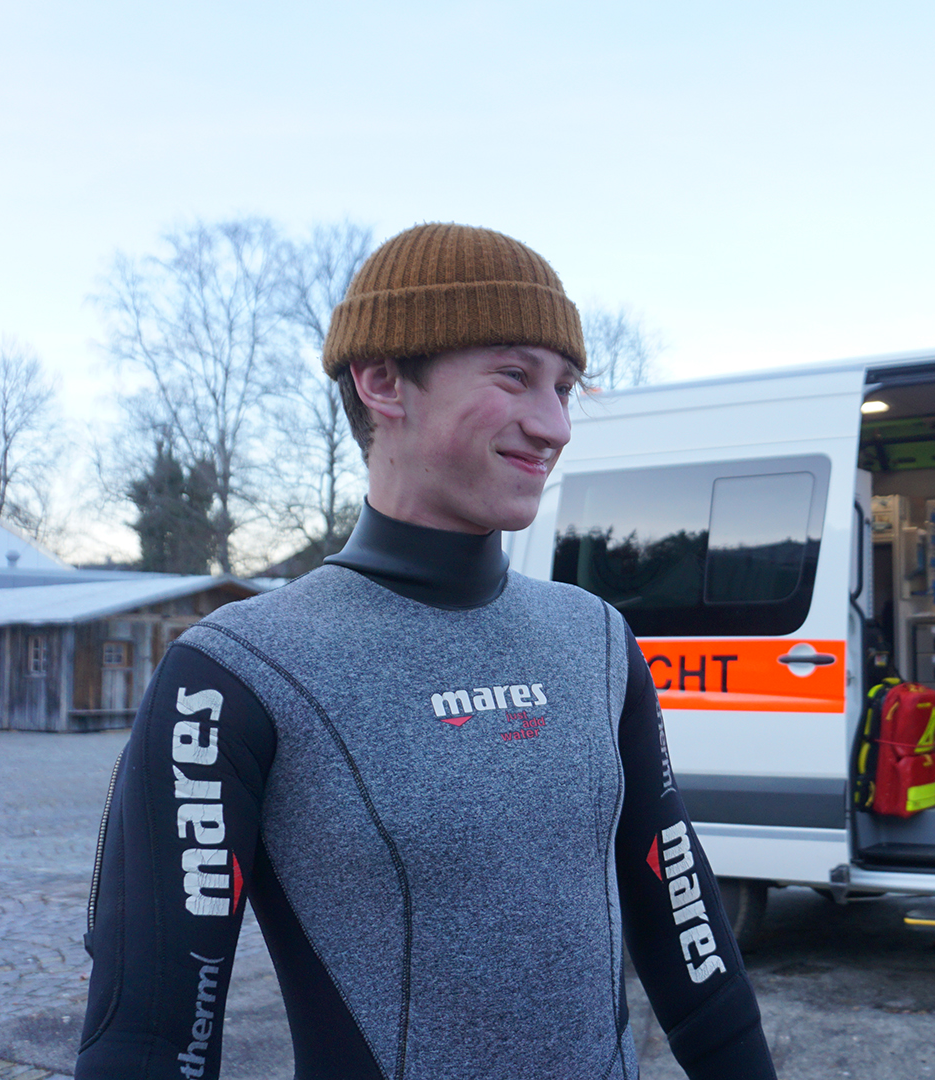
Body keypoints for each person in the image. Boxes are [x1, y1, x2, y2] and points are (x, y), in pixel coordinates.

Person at [76, 224, 775, 1080]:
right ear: (381, 381)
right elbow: (147, 1040)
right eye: (515, 375)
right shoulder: (233, 674)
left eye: (564, 387)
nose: (554, 424)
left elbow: (685, 927)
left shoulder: (595, 640)